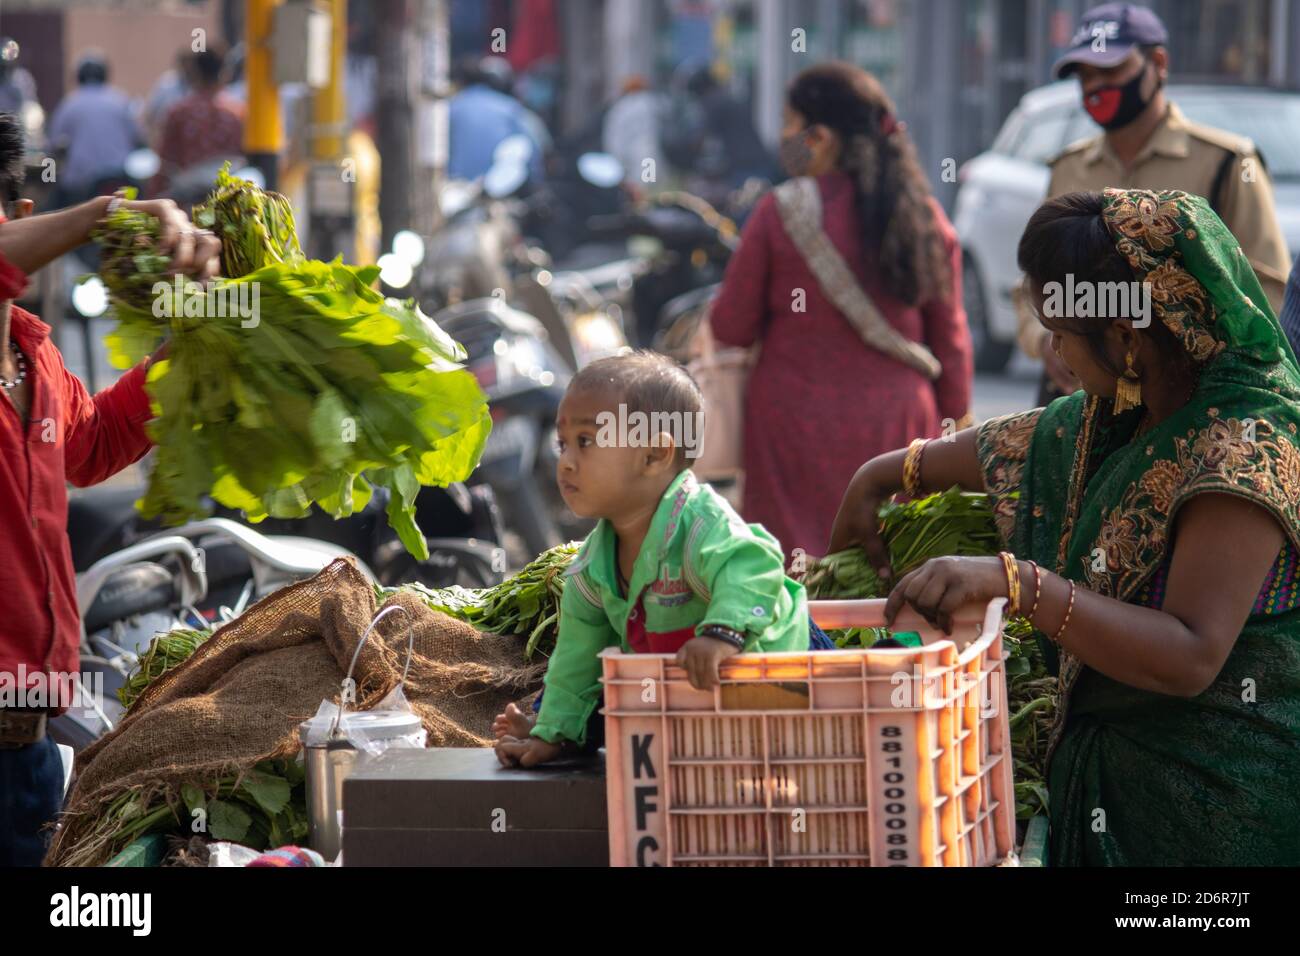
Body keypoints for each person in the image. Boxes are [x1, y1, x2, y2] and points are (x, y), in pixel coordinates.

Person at [831, 187, 1300, 866]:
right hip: (1120, 785)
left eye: (1062, 331)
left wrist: (1019, 584)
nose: (1052, 351)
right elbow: (1016, 441)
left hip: (1215, 810)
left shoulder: (1242, 452)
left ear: (1126, 337)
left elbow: (1190, 654)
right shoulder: (1134, 410)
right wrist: (883, 475)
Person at [0, 112, 222, 866]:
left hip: (28, 745)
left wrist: (196, 334)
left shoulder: (35, 356)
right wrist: (105, 213)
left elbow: (94, 444)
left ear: (21, 216)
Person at [494, 352, 833, 768]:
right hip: (694, 695)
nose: (565, 461)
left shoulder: (699, 524)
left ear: (654, 456)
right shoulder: (593, 567)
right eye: (562, 443)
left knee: (838, 694)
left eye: (585, 441)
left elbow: (755, 564)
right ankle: (559, 734)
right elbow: (575, 659)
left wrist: (721, 634)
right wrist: (552, 730)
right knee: (597, 693)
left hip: (782, 662)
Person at [709, 62, 973, 562]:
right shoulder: (924, 215)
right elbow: (951, 342)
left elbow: (731, 326)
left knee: (795, 578)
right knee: (891, 572)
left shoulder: (779, 212)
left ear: (821, 137)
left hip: (792, 429)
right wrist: (952, 432)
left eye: (790, 124)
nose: (783, 137)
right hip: (900, 430)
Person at [1017, 2, 1292, 406]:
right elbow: (1036, 281)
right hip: (1081, 401)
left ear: (1158, 63)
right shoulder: (1068, 168)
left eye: (1110, 71)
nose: (1095, 87)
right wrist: (1047, 342)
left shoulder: (1225, 164)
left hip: (1185, 406)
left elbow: (1266, 293)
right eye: (1085, 75)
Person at [45, 51, 141, 206]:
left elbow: (53, 143)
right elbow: (138, 137)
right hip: (119, 178)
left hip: (80, 184)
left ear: (79, 76)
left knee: (52, 211)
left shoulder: (70, 103)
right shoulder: (120, 99)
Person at [150, 45, 244, 197]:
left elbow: (165, 163)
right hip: (231, 202)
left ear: (194, 73)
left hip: (187, 202)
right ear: (225, 73)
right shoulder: (238, 112)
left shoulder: (179, 112)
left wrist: (152, 200)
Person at [447, 56, 548, 183]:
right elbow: (533, 151)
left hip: (456, 186)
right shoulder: (511, 108)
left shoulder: (451, 107)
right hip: (498, 187)